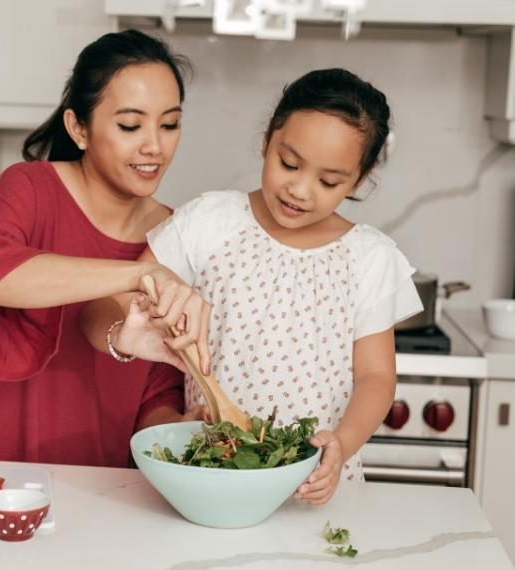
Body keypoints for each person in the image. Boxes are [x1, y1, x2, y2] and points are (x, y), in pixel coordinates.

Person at [81, 68, 423, 504]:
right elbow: (102, 306)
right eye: (289, 163)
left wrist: (341, 444)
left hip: (315, 484)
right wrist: (121, 334)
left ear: (358, 179)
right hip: (212, 472)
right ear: (267, 140)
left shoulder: (369, 258)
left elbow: (377, 378)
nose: (300, 190)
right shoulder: (209, 222)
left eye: (328, 181)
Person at [0, 29, 210, 467]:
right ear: (78, 127)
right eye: (130, 125)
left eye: (170, 124)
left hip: (96, 478)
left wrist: (176, 428)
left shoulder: (177, 234)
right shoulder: (31, 187)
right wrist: (138, 273)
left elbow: (154, 386)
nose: (155, 145)